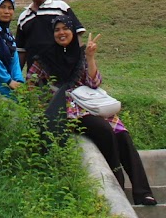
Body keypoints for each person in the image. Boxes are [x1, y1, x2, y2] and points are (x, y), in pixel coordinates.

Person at [27, 16, 157, 206]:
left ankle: (142, 192)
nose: (61, 33)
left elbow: (94, 83)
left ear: (73, 32)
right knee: (103, 130)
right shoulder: (44, 58)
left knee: (123, 136)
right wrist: (46, 103)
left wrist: (90, 57)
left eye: (65, 28)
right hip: (67, 111)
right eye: (57, 29)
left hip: (90, 104)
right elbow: (30, 85)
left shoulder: (81, 54)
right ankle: (116, 181)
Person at [15, 0, 84, 70]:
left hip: (61, 68)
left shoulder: (60, 7)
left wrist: (80, 63)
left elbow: (76, 35)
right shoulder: (24, 17)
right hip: (35, 73)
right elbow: (21, 50)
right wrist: (17, 76)